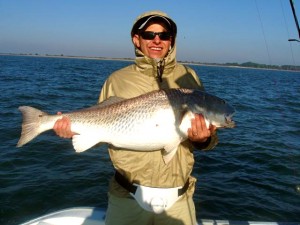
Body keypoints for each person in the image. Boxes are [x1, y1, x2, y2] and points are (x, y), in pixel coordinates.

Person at [53, 10, 218, 225]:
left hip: (179, 198)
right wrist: (70, 128)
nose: (157, 40)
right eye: (149, 35)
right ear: (136, 39)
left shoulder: (189, 77)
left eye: (164, 35)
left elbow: (208, 139)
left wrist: (203, 140)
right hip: (126, 197)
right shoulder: (116, 79)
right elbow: (97, 120)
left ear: (172, 40)